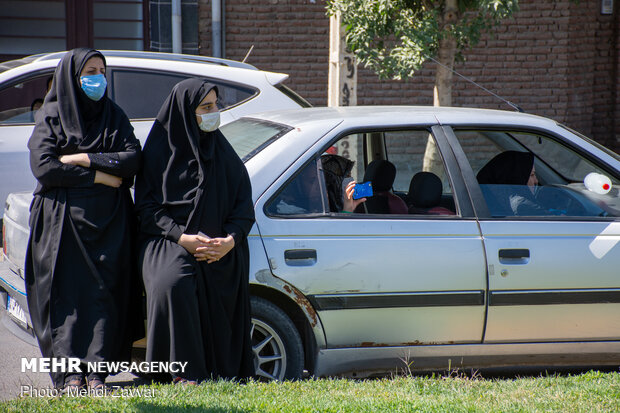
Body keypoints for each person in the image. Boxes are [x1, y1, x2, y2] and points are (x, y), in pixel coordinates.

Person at [25, 48, 143, 391]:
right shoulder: (51, 117)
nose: (98, 78)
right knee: (67, 298)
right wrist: (99, 177)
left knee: (104, 297)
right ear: (71, 78)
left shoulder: (113, 115)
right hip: (62, 228)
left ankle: (97, 373)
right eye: (90, 71)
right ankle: (71, 374)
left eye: (102, 71)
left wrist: (83, 158)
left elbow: (132, 159)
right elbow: (44, 166)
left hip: (110, 227)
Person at [134, 78, 255, 384]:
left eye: (216, 105)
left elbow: (244, 210)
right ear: (186, 112)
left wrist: (230, 241)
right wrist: (181, 238)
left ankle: (220, 372)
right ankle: (181, 374)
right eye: (206, 107)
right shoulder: (159, 155)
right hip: (168, 239)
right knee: (174, 281)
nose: (214, 112)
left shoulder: (225, 156)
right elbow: (147, 210)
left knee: (223, 275)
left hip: (219, 245)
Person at [476, 150, 543, 216]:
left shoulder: (499, 207)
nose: (536, 181)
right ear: (516, 178)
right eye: (532, 175)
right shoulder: (523, 206)